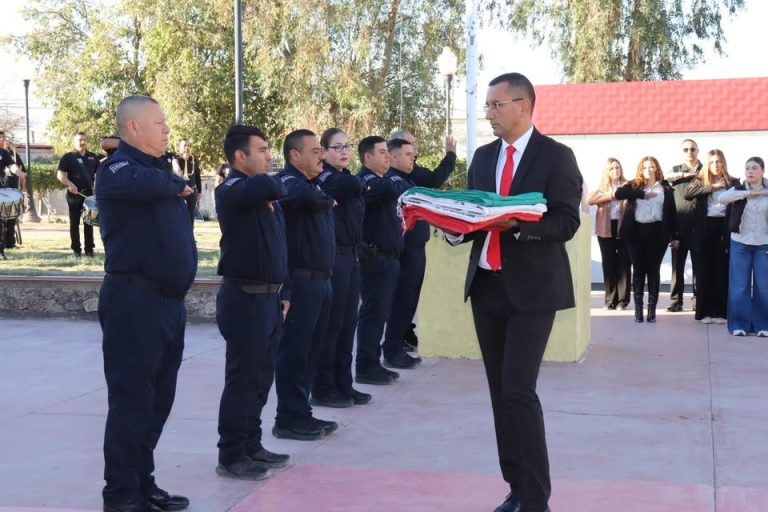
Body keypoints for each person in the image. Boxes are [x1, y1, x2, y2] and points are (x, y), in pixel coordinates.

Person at [447, 73, 582, 512]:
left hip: (533, 293)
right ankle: (516, 489)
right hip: (487, 287)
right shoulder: (483, 158)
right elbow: (473, 215)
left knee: (519, 390)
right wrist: (454, 229)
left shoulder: (557, 157)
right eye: (487, 106)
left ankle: (536, 498)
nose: (488, 114)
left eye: (495, 105)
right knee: (498, 393)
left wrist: (518, 228)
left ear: (523, 105)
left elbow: (566, 222)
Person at [96, 95, 196, 512]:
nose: (167, 129)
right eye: (159, 122)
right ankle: (120, 496)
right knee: (132, 401)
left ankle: (143, 484)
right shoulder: (117, 169)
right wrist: (177, 183)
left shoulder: (157, 171)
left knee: (158, 402)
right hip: (134, 302)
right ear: (133, 128)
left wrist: (173, 180)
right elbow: (144, 185)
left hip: (167, 304)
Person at [214, 125, 291, 479]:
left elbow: (278, 248)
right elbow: (274, 184)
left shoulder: (260, 192)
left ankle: (252, 444)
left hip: (270, 299)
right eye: (261, 150)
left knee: (262, 377)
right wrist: (273, 179)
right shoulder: (232, 189)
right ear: (239, 156)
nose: (268, 156)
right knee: (243, 378)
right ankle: (231, 454)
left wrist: (284, 291)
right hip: (244, 299)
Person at [273, 129, 338, 441]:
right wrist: (324, 197)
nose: (321, 156)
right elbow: (300, 196)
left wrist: (323, 196)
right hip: (300, 281)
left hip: (321, 280)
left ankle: (302, 412)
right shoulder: (290, 183)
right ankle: (287, 417)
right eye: (314, 151)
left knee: (313, 350)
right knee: (295, 352)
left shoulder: (312, 184)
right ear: (294, 155)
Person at [382, 134, 455, 366]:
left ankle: (397, 347)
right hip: (404, 251)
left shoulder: (408, 179)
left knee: (409, 301)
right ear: (392, 156)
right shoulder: (392, 180)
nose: (413, 157)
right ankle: (392, 350)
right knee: (402, 301)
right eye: (407, 154)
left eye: (413, 154)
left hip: (415, 249)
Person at [311, 128, 372, 408]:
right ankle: (324, 388)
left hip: (352, 256)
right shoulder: (325, 178)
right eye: (337, 147)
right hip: (334, 257)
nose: (345, 151)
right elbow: (351, 187)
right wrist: (363, 185)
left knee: (348, 324)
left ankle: (343, 384)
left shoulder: (348, 178)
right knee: (332, 325)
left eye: (348, 146)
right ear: (323, 152)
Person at [355, 136, 402, 385]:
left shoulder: (384, 181)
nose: (388, 157)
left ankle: (372, 362)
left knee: (381, 313)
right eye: (383, 152)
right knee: (373, 313)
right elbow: (392, 189)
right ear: (367, 157)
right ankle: (365, 366)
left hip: (389, 258)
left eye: (388, 152)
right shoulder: (367, 182)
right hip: (375, 258)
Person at [616, 157, 678, 323]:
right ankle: (638, 310)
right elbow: (618, 194)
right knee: (638, 270)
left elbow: (672, 214)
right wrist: (642, 194)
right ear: (640, 169)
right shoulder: (634, 185)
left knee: (653, 270)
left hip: (657, 233)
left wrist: (675, 236)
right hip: (635, 232)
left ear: (657, 169)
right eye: (645, 167)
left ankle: (651, 310)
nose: (649, 170)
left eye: (652, 167)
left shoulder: (665, 188)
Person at [684, 149, 737, 324]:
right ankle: (704, 312)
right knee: (703, 271)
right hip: (703, 229)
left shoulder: (733, 182)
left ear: (724, 163)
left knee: (721, 271)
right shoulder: (699, 181)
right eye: (713, 162)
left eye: (719, 161)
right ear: (708, 164)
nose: (716, 165)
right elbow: (687, 194)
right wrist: (712, 187)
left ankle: (720, 312)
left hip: (724, 229)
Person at [719, 156, 768, 337]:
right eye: (747, 168)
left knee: (764, 286)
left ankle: (763, 325)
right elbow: (722, 198)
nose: (750, 171)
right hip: (740, 242)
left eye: (755, 168)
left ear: (762, 171)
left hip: (764, 243)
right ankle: (739, 324)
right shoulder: (738, 189)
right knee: (739, 286)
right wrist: (748, 194)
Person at [588, 158, 631, 310]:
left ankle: (623, 300)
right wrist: (612, 195)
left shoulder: (628, 185)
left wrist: (616, 194)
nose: (615, 171)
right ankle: (610, 300)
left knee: (624, 263)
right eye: (611, 168)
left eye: (617, 167)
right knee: (609, 262)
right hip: (605, 228)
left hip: (623, 227)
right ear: (607, 171)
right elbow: (590, 199)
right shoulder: (601, 187)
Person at [666, 139, 702, 312]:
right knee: (677, 267)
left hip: (700, 226)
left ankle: (698, 299)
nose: (690, 152)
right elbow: (663, 180)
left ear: (698, 151)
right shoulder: (675, 172)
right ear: (682, 152)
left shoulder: (706, 171)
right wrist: (672, 234)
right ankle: (675, 300)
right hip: (679, 227)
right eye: (686, 149)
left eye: (693, 149)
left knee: (699, 266)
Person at [57, 132, 100, 257]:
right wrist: (70, 184)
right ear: (74, 142)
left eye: (84, 140)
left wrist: (97, 190)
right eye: (80, 140)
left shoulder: (93, 157)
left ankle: (89, 250)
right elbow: (60, 175)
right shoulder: (67, 157)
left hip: (90, 195)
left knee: (89, 222)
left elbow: (100, 174)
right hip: (74, 194)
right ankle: (76, 250)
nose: (83, 142)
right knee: (74, 222)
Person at [0, 131, 26, 249]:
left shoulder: (4, 153)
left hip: (3, 189)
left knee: (7, 217)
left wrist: (19, 173)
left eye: (2, 138)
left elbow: (11, 165)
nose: (1, 140)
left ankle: (8, 243)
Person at [174, 139, 201, 224]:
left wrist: (199, 191)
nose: (187, 148)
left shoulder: (193, 159)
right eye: (184, 145)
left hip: (191, 191)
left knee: (190, 216)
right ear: (179, 147)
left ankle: (190, 235)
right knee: (177, 215)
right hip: (179, 191)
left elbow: (197, 176)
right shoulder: (176, 159)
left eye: (188, 145)